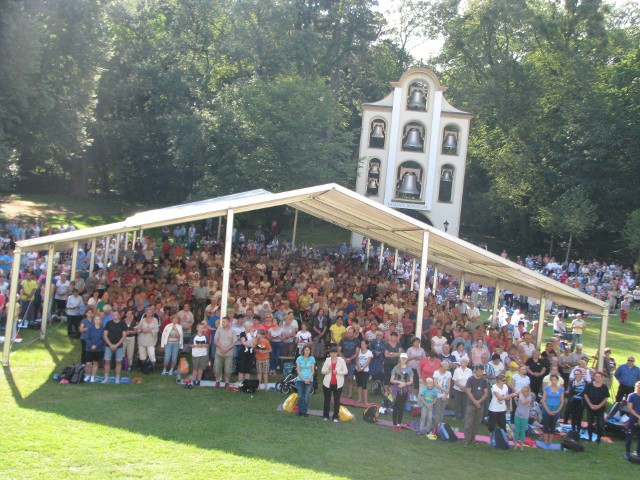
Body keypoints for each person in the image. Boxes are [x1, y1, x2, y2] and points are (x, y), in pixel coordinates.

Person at [463, 364, 489, 446]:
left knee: (477, 422)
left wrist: (479, 402)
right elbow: (468, 391)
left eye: (481, 372)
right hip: (471, 404)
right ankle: (467, 439)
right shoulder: (470, 379)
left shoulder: (484, 381)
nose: (480, 373)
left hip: (480, 405)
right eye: (479, 371)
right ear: (475, 371)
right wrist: (475, 401)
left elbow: (486, 393)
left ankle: (473, 437)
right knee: (469, 422)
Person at [321, 345, 348, 422]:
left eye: (334, 353)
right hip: (327, 384)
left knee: (337, 400)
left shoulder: (341, 360)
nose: (333, 354)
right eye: (332, 353)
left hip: (338, 384)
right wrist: (328, 370)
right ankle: (325, 416)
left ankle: (335, 416)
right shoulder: (327, 360)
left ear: (337, 353)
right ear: (330, 353)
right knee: (327, 400)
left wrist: (337, 372)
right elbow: (323, 371)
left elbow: (345, 371)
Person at [102, 310, 127, 383]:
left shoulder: (122, 324)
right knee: (107, 361)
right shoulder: (108, 323)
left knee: (118, 362)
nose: (114, 316)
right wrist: (110, 344)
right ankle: (106, 378)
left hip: (119, 346)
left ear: (119, 315)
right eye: (113, 314)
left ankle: (117, 378)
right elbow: (105, 335)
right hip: (108, 346)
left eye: (116, 314)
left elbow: (124, 336)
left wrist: (116, 345)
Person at [583, 371, 609, 443]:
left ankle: (598, 438)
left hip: (600, 408)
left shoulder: (604, 387)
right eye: (596, 376)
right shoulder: (590, 385)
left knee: (600, 424)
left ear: (601, 378)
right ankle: (590, 437)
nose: (597, 378)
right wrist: (590, 404)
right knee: (590, 423)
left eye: (599, 377)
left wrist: (599, 406)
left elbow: (606, 398)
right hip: (590, 407)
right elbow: (585, 395)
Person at [390, 353, 412, 430]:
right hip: (397, 390)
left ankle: (399, 424)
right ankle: (394, 424)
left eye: (405, 358)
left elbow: (411, 381)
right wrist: (399, 382)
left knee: (401, 407)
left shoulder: (409, 369)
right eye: (402, 358)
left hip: (405, 390)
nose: (404, 360)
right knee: (396, 407)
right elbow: (391, 380)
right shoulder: (396, 368)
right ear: (400, 359)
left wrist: (405, 384)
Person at [541, 373, 565, 446]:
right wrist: (547, 410)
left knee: (552, 426)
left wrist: (557, 410)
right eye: (552, 380)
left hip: (556, 408)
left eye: (555, 380)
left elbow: (562, 401)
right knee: (546, 425)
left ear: (557, 380)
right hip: (547, 408)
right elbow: (543, 399)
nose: (553, 381)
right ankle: (545, 442)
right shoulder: (547, 388)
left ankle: (550, 442)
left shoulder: (561, 389)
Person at [213, 317, 236, 388]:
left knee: (228, 369)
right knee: (217, 368)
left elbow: (234, 342)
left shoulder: (232, 331)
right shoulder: (219, 330)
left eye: (224, 322)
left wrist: (227, 349)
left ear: (229, 322)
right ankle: (217, 382)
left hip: (229, 354)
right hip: (219, 353)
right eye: (222, 322)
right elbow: (215, 340)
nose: (223, 323)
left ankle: (226, 382)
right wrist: (222, 347)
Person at [296, 345, 316, 417]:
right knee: (300, 396)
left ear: (310, 351)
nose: (307, 351)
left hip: (309, 380)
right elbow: (298, 370)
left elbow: (312, 370)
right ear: (303, 351)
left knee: (306, 396)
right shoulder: (299, 358)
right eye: (306, 350)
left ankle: (304, 411)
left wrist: (308, 379)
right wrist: (303, 379)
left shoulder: (312, 359)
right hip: (300, 380)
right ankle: (299, 410)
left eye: (308, 350)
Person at [85, 314, 105, 383]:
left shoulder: (102, 329)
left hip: (98, 349)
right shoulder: (90, 328)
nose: (97, 321)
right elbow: (87, 337)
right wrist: (91, 346)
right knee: (88, 363)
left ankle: (93, 376)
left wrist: (96, 346)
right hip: (89, 348)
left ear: (100, 321)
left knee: (95, 363)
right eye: (95, 319)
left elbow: (102, 339)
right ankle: (87, 375)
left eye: (98, 319)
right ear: (94, 320)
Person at [513, 385, 534, 450]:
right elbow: (519, 405)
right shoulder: (521, 396)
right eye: (523, 391)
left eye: (525, 392)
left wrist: (521, 395)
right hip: (518, 414)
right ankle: (515, 444)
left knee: (522, 431)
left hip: (525, 416)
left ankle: (521, 444)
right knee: (517, 430)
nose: (524, 393)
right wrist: (516, 401)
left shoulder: (529, 397)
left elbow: (524, 402)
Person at [566, 369, 587, 433]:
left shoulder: (585, 382)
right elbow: (570, 392)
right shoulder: (572, 382)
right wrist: (575, 386)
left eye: (577, 374)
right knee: (573, 415)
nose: (576, 375)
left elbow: (585, 392)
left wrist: (577, 393)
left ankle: (578, 429)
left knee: (579, 416)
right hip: (573, 400)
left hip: (581, 401)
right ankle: (573, 429)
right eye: (575, 374)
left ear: (581, 375)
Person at [432, 361, 452, 426]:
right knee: (437, 409)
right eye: (444, 369)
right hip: (437, 394)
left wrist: (446, 394)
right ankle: (436, 424)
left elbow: (449, 384)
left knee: (442, 410)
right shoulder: (436, 373)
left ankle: (441, 424)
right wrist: (443, 390)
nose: (445, 370)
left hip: (445, 394)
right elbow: (435, 383)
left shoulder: (448, 373)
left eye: (446, 369)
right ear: (440, 367)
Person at [624, 381, 640, 460]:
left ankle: (638, 452)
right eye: (638, 387)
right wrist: (638, 417)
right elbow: (630, 409)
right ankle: (627, 451)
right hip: (633, 418)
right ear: (636, 387)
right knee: (630, 434)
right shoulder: (631, 396)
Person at [355, 339, 373, 404]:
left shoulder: (369, 352)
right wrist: (359, 367)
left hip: (365, 371)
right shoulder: (359, 351)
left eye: (363, 344)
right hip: (358, 370)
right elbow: (356, 360)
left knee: (364, 385)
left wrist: (362, 368)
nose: (361, 345)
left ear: (366, 345)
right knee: (359, 385)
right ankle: (359, 399)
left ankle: (365, 400)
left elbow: (368, 362)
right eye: (361, 344)